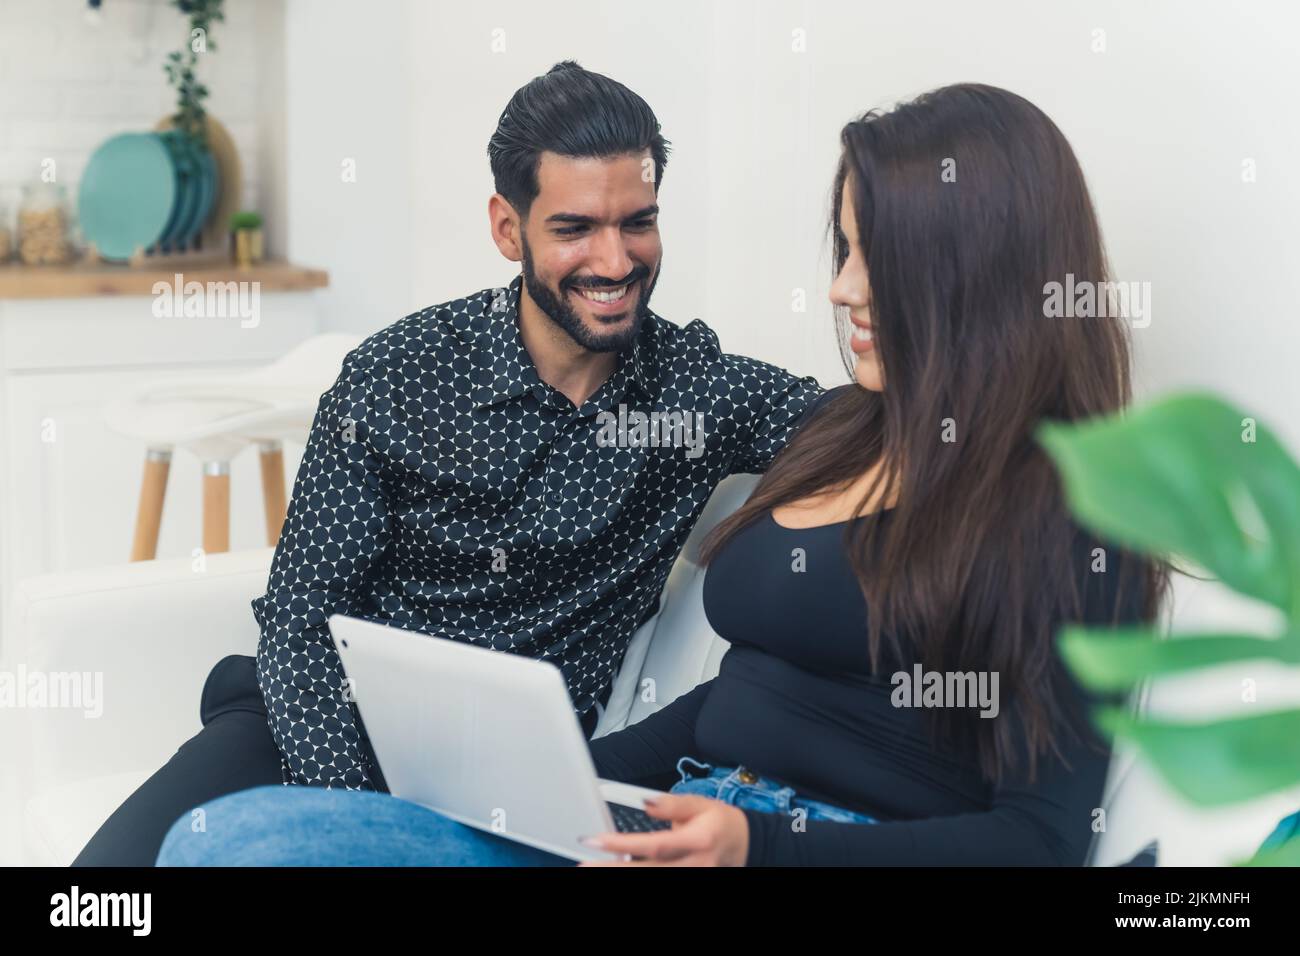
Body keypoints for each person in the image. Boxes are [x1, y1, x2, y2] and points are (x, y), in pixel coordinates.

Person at [156, 82, 1169, 867]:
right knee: (212, 842)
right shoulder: (843, 433)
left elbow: (1041, 837)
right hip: (620, 807)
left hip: (767, 842)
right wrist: (542, 788)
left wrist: (758, 844)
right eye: (846, 251)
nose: (840, 288)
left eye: (877, 260)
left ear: (975, 272)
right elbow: (743, 696)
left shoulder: (1071, 514)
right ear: (508, 231)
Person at [72, 60, 823, 866]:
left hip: (505, 786)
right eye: (574, 229)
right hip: (310, 726)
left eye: (637, 222)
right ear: (508, 228)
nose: (615, 261)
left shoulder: (696, 391)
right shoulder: (397, 375)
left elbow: (880, 429)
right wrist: (353, 815)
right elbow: (299, 622)